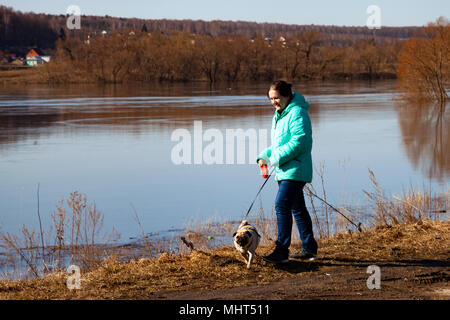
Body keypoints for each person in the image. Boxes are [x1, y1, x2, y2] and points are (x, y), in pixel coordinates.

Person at [257, 80, 318, 263]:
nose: (274, 102)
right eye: (271, 99)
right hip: (284, 170)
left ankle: (282, 251)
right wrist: (264, 157)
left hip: (296, 169)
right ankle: (309, 250)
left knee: (281, 205)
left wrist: (274, 159)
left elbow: (299, 142)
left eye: (276, 98)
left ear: (287, 95)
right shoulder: (279, 114)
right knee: (297, 208)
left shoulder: (298, 113)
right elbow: (279, 145)